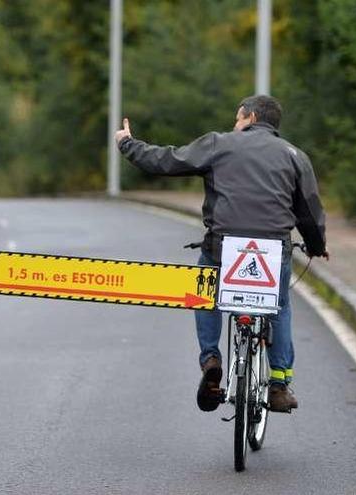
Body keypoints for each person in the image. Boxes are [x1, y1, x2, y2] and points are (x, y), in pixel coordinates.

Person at [114, 95, 328, 413]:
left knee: (205, 293)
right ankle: (280, 385)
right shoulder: (295, 156)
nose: (235, 125)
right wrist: (316, 245)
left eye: (238, 118)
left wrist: (127, 144)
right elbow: (308, 211)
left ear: (251, 117)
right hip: (271, 251)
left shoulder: (219, 144)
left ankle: (211, 359)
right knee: (279, 307)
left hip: (223, 246)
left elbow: (165, 160)